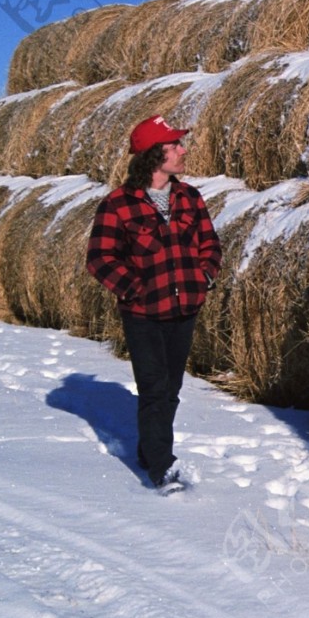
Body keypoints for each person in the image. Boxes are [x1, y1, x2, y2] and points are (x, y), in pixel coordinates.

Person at [86, 115, 222, 494]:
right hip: (143, 314)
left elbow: (210, 244)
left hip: (185, 309)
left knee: (172, 388)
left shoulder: (190, 197)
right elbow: (99, 258)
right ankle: (162, 467)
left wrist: (205, 276)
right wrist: (135, 289)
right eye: (175, 145)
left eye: (180, 144)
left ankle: (150, 451)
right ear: (153, 155)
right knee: (153, 388)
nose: (183, 150)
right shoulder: (118, 204)